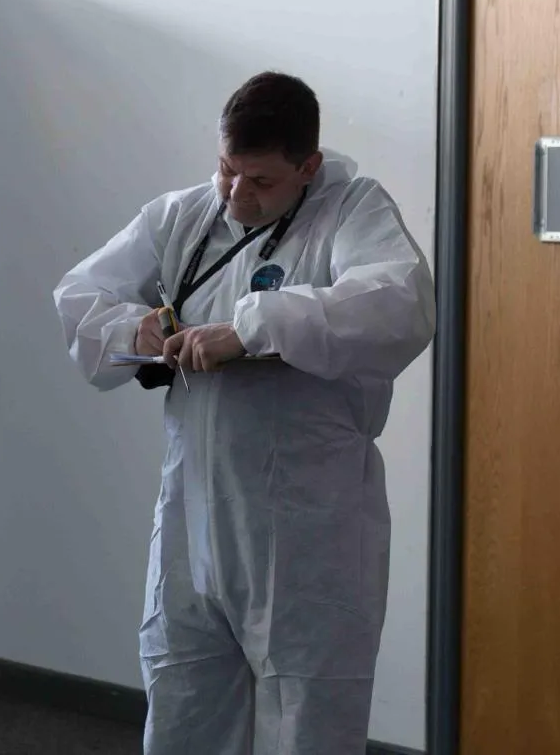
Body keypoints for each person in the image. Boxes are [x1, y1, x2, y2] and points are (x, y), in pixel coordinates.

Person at [53, 71, 436, 754]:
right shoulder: (182, 214)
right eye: (227, 170)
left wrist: (253, 328)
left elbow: (399, 303)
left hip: (307, 533)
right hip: (191, 516)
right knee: (182, 708)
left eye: (260, 181)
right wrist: (135, 329)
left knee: (307, 722)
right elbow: (81, 297)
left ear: (308, 167)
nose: (235, 194)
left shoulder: (352, 211)